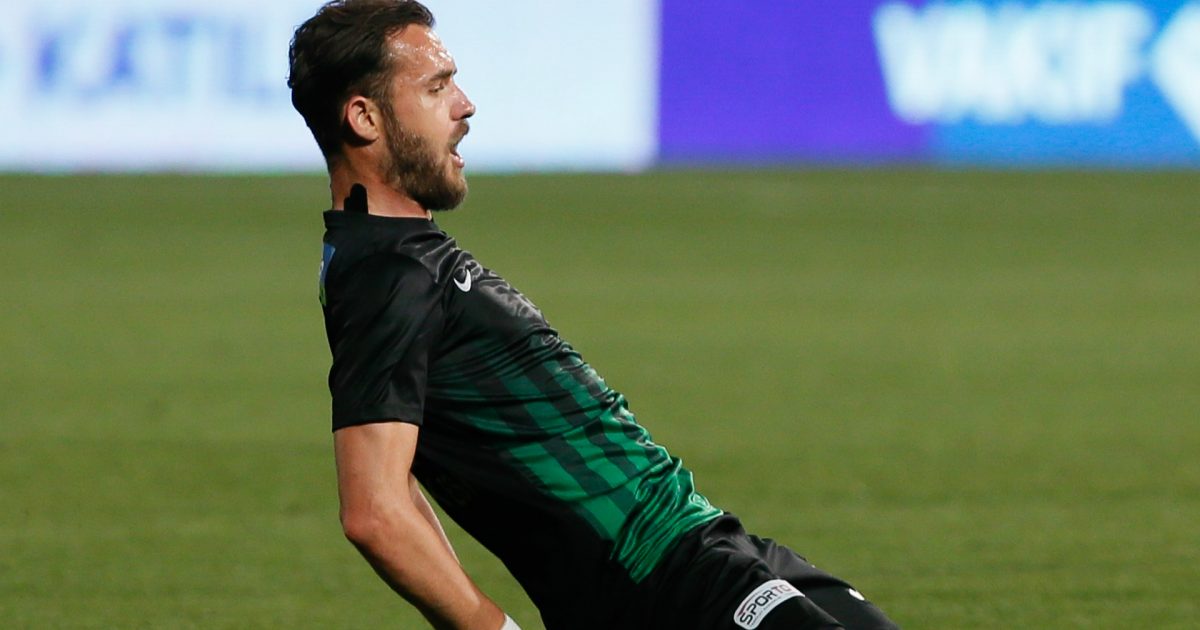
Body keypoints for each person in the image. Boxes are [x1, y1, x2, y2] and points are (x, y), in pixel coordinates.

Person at [288, 2, 899, 628]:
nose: (464, 106)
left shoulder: (394, 256)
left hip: (706, 542)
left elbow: (398, 484)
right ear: (364, 117)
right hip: (661, 584)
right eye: (436, 87)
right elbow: (375, 510)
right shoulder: (386, 274)